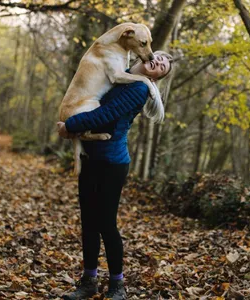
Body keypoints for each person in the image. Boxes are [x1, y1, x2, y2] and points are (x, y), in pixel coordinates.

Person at [58, 51, 174, 300]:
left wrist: (70, 126)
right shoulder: (117, 75)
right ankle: (88, 282)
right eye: (160, 57)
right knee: (88, 222)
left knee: (105, 223)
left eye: (162, 67)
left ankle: (117, 285)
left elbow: (105, 116)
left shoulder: (139, 90)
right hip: (90, 159)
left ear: (156, 78)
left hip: (112, 164)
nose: (158, 62)